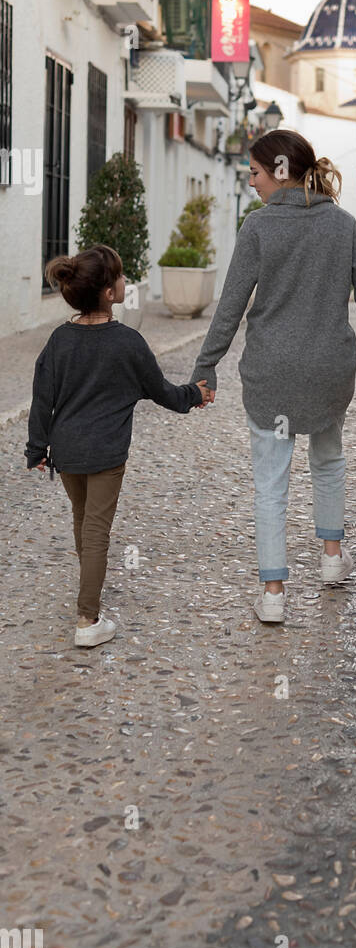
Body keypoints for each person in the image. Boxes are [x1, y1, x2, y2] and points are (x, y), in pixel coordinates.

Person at [189, 129, 356, 624]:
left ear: (280, 171)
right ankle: (331, 558)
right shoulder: (343, 224)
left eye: (255, 172)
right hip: (328, 370)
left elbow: (231, 305)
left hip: (273, 373)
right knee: (328, 460)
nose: (251, 182)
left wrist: (206, 366)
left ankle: (273, 593)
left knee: (270, 483)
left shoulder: (258, 227)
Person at [25, 245, 213, 647]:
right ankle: (87, 618)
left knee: (83, 520)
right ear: (109, 293)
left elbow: (42, 397)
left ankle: (88, 588)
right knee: (96, 530)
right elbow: (163, 392)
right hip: (106, 454)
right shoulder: (128, 342)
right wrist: (195, 394)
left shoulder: (59, 340)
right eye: (122, 276)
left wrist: (36, 448)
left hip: (67, 452)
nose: (127, 281)